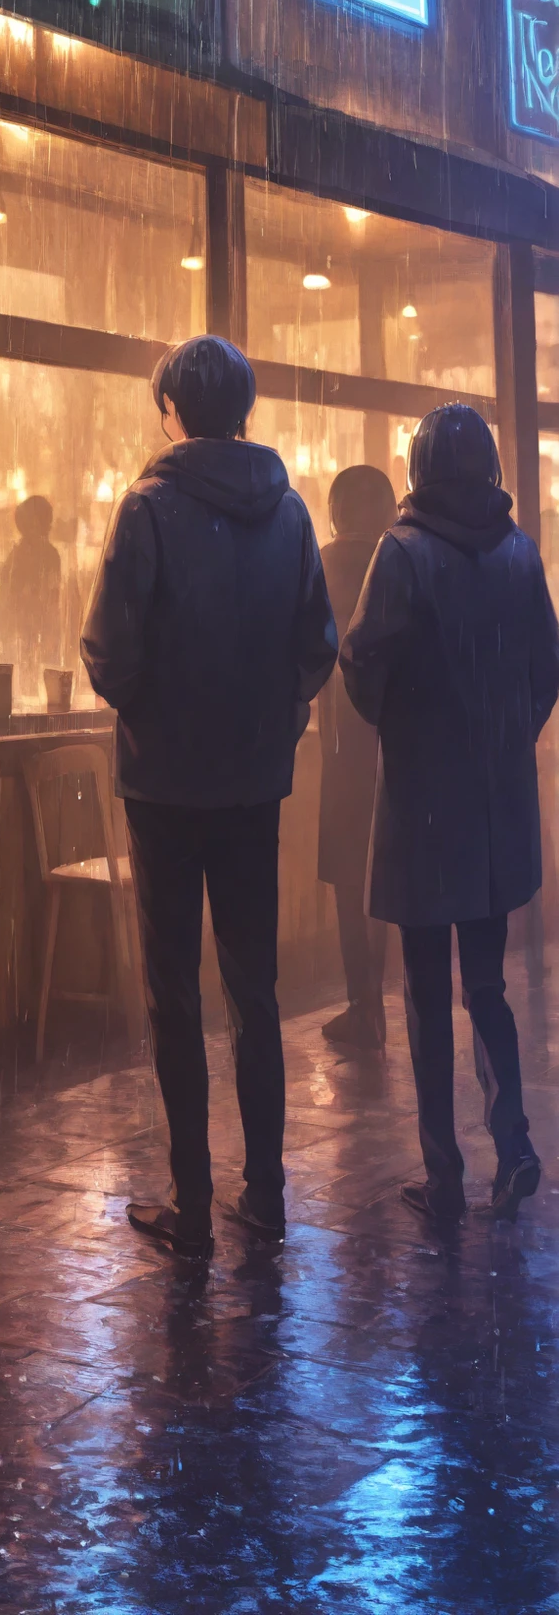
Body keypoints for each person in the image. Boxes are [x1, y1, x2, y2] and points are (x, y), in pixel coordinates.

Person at [80, 335, 337, 1258]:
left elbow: (108, 651)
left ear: (174, 410)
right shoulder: (290, 512)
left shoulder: (148, 508)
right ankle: (263, 1193)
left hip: (162, 786)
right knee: (253, 988)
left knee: (171, 992)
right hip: (252, 786)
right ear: (245, 409)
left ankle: (191, 1203)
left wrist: (157, 707)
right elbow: (317, 644)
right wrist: (269, 714)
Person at [339, 403, 559, 1224]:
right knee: (489, 988)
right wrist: (502, 737)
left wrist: (408, 725)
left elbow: (361, 665)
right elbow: (547, 668)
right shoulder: (519, 555)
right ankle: (516, 1144)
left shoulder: (401, 556)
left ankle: (442, 1174)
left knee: (426, 997)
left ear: (417, 470)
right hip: (496, 808)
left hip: (422, 809)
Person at [317, 464, 398, 1051]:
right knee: (390, 873)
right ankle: (389, 1000)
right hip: (399, 748)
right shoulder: (403, 559)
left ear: (336, 511)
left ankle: (362, 1003)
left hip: (342, 747)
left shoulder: (322, 562)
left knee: (351, 881)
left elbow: (305, 650)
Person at [0, 494, 62, 698]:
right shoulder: (18, 557)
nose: (48, 527)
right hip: (25, 628)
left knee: (43, 679)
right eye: (44, 521)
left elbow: (53, 596)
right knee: (28, 678)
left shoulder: (49, 555)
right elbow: (9, 597)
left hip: (40, 628)